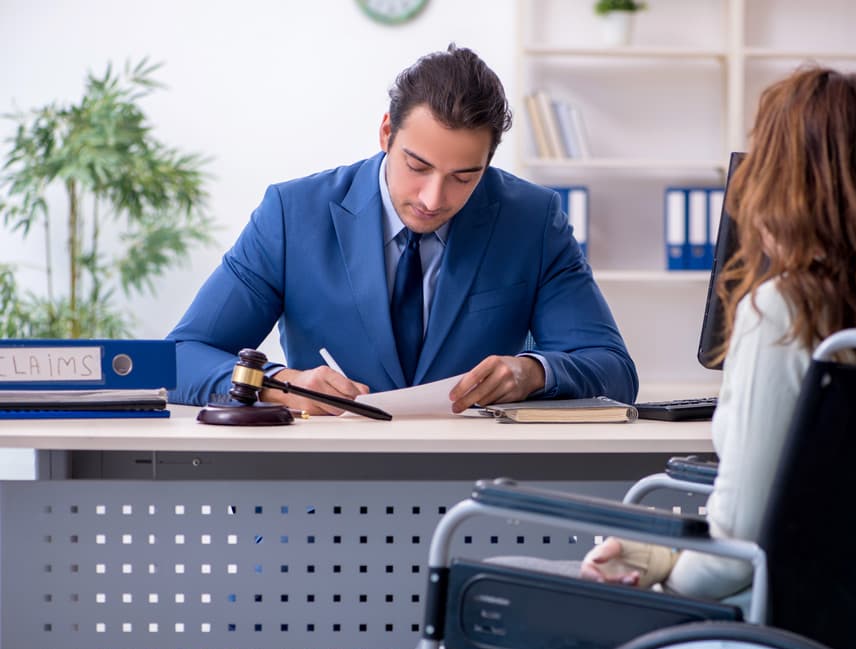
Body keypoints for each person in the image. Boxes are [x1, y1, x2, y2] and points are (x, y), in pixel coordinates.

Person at [579, 65, 856, 601]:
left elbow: (733, 557)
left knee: (504, 573)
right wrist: (658, 554)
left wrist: (658, 572)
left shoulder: (785, 312)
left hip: (757, 624)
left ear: (779, 181)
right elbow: (811, 517)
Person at [166, 45, 638, 413]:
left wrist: (533, 372)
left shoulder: (532, 221)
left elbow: (613, 370)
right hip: (316, 493)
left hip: (477, 497)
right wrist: (277, 383)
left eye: (463, 177)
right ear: (386, 132)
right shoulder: (292, 214)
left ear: (489, 163)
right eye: (417, 165)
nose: (433, 199)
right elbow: (179, 358)